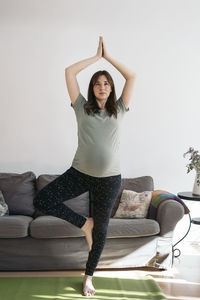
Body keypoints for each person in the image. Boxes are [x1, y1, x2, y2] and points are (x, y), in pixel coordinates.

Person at [33, 36, 136, 296]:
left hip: (110, 179)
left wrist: (109, 57)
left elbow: (132, 76)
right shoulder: (82, 107)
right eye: (97, 83)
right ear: (92, 88)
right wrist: (96, 57)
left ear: (112, 89)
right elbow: (69, 72)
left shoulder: (120, 109)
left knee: (101, 230)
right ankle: (83, 224)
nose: (102, 86)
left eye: (106, 83)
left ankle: (88, 277)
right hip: (79, 173)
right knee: (43, 200)